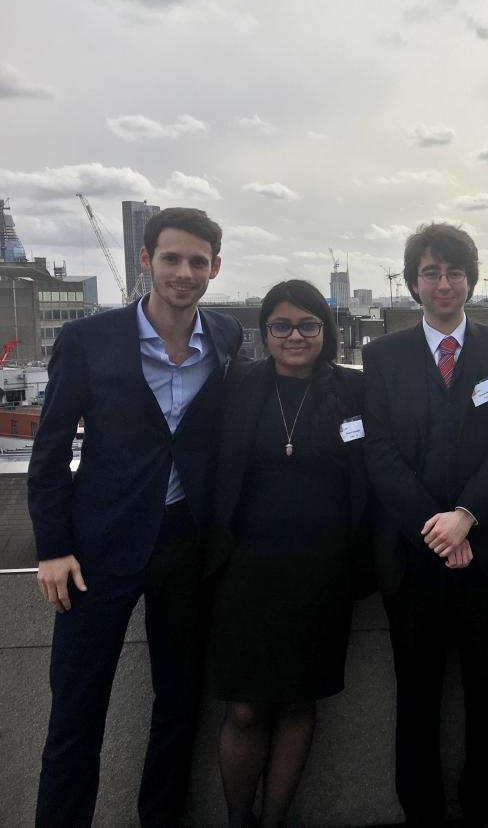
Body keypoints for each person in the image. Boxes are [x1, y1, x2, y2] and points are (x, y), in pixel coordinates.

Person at [28, 207, 241, 827]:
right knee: (76, 712)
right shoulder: (87, 340)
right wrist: (52, 548)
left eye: (198, 261)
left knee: (178, 706)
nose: (184, 272)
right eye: (171, 258)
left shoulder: (226, 336)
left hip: (185, 543)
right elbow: (49, 450)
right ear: (145, 261)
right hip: (96, 548)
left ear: (215, 268)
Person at [363, 223, 488, 828]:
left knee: (487, 689)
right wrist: (435, 529)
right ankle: (422, 812)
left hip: (485, 555)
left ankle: (483, 805)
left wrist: (466, 517)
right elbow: (378, 450)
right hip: (411, 560)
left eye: (454, 272)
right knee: (416, 693)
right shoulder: (382, 356)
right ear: (413, 283)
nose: (443, 283)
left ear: (471, 281)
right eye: (430, 273)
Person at [204, 279, 370, 828]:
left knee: (300, 701)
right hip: (244, 572)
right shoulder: (236, 385)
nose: (295, 336)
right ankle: (239, 821)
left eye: (307, 325)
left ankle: (273, 822)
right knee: (245, 707)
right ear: (264, 332)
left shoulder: (354, 390)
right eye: (281, 325)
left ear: (326, 330)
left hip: (322, 573)